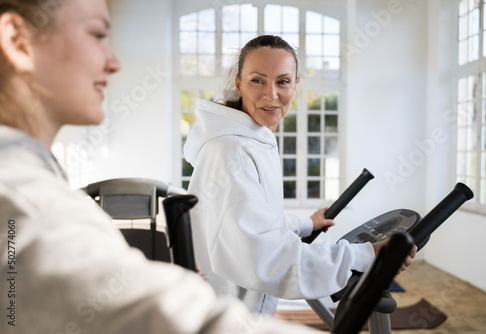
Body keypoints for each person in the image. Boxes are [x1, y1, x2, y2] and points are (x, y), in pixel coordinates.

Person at [0, 2, 322, 333]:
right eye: (97, 34)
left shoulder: (34, 185)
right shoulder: (22, 203)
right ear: (18, 40)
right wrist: (357, 258)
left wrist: (303, 224)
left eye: (284, 81)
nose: (114, 63)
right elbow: (168, 318)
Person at [184, 35, 417, 315]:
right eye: (257, 80)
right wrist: (364, 255)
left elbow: (254, 217)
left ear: (295, 86)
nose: (271, 94)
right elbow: (265, 258)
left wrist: (306, 225)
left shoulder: (252, 139)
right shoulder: (232, 151)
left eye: (283, 81)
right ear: (238, 84)